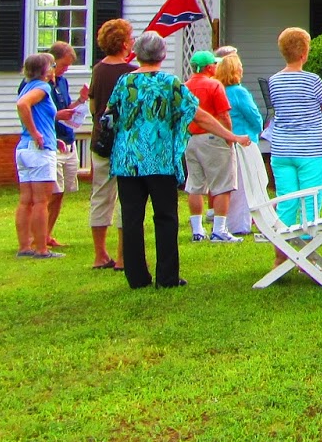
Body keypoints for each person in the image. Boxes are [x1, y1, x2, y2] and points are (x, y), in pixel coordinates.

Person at [107, 30, 250, 289]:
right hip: (160, 160)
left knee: (131, 219)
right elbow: (201, 116)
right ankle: (167, 276)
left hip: (128, 160)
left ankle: (137, 277)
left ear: (137, 55)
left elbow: (110, 115)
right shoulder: (169, 83)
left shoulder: (124, 82)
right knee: (165, 217)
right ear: (162, 55)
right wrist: (232, 136)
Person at [264, 27, 322, 242]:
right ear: (304, 54)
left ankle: (281, 254)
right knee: (311, 201)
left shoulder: (274, 81)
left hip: (282, 149)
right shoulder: (312, 81)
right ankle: (308, 254)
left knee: (286, 200)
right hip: (311, 149)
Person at [87, 19, 137, 270]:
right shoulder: (131, 72)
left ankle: (100, 254)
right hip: (125, 142)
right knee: (125, 198)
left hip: (101, 140)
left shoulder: (98, 69)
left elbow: (93, 105)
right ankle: (122, 257)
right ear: (125, 43)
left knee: (100, 195)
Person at [184, 50, 240, 243]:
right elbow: (224, 115)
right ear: (209, 67)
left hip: (191, 139)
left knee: (195, 185)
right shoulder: (214, 85)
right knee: (222, 185)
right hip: (213, 139)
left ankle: (197, 230)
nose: (216, 67)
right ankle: (219, 229)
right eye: (214, 65)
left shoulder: (185, 86)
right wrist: (229, 137)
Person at [13, 52, 61, 259]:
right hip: (38, 150)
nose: (53, 70)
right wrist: (36, 133)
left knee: (26, 200)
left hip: (24, 148)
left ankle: (25, 246)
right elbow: (23, 105)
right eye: (52, 66)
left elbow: (37, 114)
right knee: (42, 201)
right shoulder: (42, 87)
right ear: (44, 70)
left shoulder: (27, 86)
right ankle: (42, 248)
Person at [216, 50, 264, 235]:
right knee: (245, 186)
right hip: (243, 142)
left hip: (224, 142)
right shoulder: (239, 92)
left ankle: (228, 222)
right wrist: (259, 127)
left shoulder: (219, 90)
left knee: (230, 186)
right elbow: (254, 116)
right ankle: (240, 225)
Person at [44, 41, 85, 252]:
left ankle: (48, 233)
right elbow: (37, 114)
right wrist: (56, 117)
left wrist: (79, 102)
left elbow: (64, 109)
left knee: (61, 192)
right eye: (63, 65)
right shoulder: (40, 84)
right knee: (51, 191)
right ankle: (39, 236)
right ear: (52, 61)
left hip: (68, 139)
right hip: (52, 141)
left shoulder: (62, 82)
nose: (65, 69)